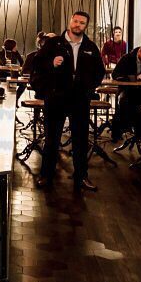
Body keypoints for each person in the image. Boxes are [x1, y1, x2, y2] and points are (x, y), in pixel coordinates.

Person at [33, 11, 105, 193]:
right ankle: (46, 175)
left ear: (85, 26)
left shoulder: (90, 46)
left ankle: (82, 177)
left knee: (80, 140)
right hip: (56, 97)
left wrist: (89, 88)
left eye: (82, 23)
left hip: (80, 99)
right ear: (70, 21)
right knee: (51, 138)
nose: (78, 25)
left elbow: (99, 72)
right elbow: (36, 64)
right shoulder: (53, 43)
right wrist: (51, 63)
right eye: (75, 21)